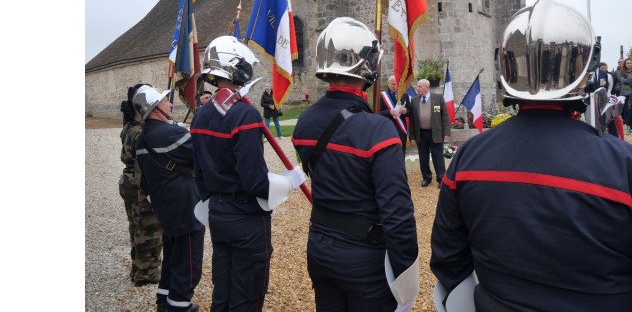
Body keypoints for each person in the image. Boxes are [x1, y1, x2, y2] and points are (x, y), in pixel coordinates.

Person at [430, 0, 632, 312]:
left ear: (507, 69)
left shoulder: (468, 157)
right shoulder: (631, 167)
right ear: (585, 70)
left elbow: (447, 258)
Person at [292, 17, 419, 312]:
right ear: (366, 67)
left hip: (320, 246)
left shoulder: (305, 121)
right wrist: (406, 278)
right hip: (365, 260)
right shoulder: (378, 130)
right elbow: (397, 213)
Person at [190, 36, 306, 311]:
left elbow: (200, 173)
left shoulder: (201, 115)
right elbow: (254, 181)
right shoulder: (244, 115)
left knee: (223, 289)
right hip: (245, 217)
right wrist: (288, 183)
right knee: (248, 294)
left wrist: (214, 201)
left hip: (217, 211)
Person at [133, 85, 204, 312]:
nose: (170, 104)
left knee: (173, 256)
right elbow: (203, 156)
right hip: (186, 207)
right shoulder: (171, 133)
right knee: (189, 262)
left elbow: (144, 181)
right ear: (155, 109)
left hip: (165, 207)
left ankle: (164, 300)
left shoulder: (141, 139)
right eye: (165, 101)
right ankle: (180, 306)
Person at [118, 84, 162, 287]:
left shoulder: (129, 126)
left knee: (136, 226)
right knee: (148, 228)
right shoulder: (140, 131)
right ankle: (147, 272)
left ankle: (138, 268)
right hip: (141, 184)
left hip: (129, 181)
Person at [409, 78, 451, 188]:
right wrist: (412, 137)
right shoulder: (414, 100)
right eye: (417, 86)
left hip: (435, 133)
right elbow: (412, 120)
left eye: (420, 86)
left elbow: (445, 116)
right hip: (421, 134)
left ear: (427, 87)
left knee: (438, 157)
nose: (417, 88)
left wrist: (446, 132)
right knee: (423, 157)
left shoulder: (438, 98)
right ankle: (426, 178)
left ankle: (441, 179)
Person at [379, 74, 413, 156]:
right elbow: (376, 113)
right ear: (388, 84)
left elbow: (410, 111)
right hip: (387, 129)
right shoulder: (382, 96)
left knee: (401, 153)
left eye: (397, 84)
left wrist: (406, 111)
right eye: (393, 84)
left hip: (401, 130)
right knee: (389, 154)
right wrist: (388, 112)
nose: (395, 86)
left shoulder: (404, 95)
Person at [617, 57, 632, 135]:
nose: (629, 64)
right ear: (625, 64)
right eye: (627, 63)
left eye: (630, 63)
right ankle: (629, 126)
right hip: (624, 93)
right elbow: (623, 81)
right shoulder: (621, 72)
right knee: (627, 111)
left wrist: (630, 80)